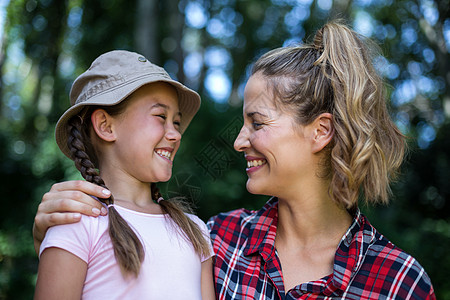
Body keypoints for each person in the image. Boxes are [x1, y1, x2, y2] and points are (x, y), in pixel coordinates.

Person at [33, 21, 435, 299]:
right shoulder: (221, 241)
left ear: (320, 132)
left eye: (257, 123)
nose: (240, 141)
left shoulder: (399, 282)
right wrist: (54, 240)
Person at [33, 50, 215, 300]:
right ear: (106, 126)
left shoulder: (195, 229)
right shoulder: (77, 223)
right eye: (161, 117)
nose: (175, 134)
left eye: (176, 122)